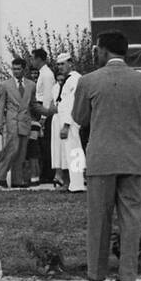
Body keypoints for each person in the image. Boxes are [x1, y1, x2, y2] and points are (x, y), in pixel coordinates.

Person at [72, 31, 141, 281]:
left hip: (101, 159)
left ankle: (97, 274)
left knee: (99, 218)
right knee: (131, 219)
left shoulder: (89, 81)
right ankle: (127, 278)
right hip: (135, 160)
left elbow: (80, 117)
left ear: (103, 50)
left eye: (97, 49)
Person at [0, 57, 37, 188]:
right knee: (11, 149)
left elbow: (34, 104)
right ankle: (2, 175)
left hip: (25, 121)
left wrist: (48, 111)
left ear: (24, 70)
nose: (16, 71)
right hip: (12, 121)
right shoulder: (5, 85)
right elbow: (1, 104)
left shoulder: (31, 85)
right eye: (14, 69)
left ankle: (16, 180)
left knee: (21, 151)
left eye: (18, 69)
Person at [51, 53, 86, 192]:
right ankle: (73, 183)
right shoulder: (67, 80)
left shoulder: (75, 79)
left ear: (70, 63)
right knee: (68, 153)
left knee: (74, 152)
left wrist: (66, 125)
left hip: (70, 121)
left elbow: (72, 103)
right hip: (62, 118)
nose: (60, 67)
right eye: (58, 64)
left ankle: (77, 184)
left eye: (63, 64)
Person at [32, 48, 58, 187]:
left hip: (45, 109)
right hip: (40, 107)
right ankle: (45, 173)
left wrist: (43, 116)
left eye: (33, 58)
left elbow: (48, 95)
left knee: (46, 144)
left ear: (39, 59)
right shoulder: (43, 73)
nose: (32, 61)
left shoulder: (47, 74)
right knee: (42, 144)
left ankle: (48, 174)